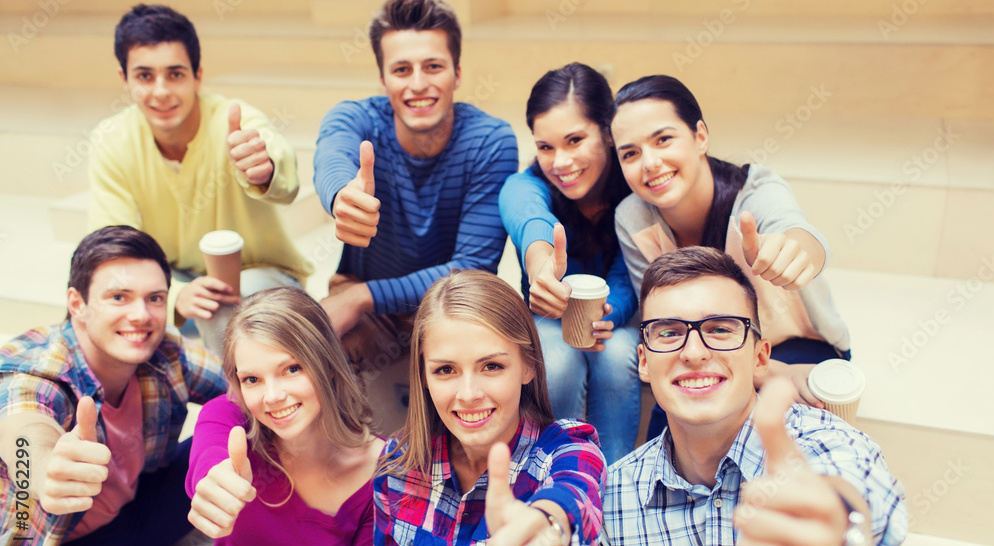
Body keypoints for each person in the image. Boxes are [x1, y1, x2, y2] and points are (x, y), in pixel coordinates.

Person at [586, 247, 907, 546]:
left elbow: (869, 495)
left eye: (719, 329)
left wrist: (840, 517)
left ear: (760, 357)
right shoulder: (616, 497)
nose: (694, 352)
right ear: (644, 361)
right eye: (668, 332)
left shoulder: (826, 443)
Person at [0, 225, 228, 546]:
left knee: (246, 426)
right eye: (118, 297)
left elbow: (242, 387)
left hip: (130, 514)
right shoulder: (37, 371)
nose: (141, 315)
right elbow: (22, 422)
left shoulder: (162, 351)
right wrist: (46, 468)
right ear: (77, 305)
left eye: (155, 298)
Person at [363, 270, 605, 546]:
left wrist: (547, 529)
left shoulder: (568, 448)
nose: (469, 394)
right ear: (423, 376)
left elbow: (574, 498)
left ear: (527, 366)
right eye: (445, 370)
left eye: (491, 366)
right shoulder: (400, 463)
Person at [609, 75, 851, 437]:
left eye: (663, 139)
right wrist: (769, 373)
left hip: (796, 348)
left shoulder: (755, 191)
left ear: (700, 136)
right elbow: (660, 319)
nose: (649, 162)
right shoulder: (633, 217)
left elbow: (798, 232)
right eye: (630, 153)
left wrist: (796, 254)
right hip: (703, 346)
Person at [172, 287, 382, 546]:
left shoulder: (378, 471)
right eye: (252, 379)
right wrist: (212, 483)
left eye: (291, 369)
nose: (272, 396)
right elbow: (210, 459)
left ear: (328, 364)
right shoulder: (231, 417)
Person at [88, 4, 312, 354]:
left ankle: (236, 407)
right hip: (171, 281)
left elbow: (282, 172)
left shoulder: (234, 119)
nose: (161, 91)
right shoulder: (112, 140)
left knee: (217, 306)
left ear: (198, 75)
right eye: (145, 76)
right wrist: (173, 295)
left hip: (260, 277)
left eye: (175, 74)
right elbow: (110, 245)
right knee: (97, 307)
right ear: (125, 79)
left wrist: (264, 168)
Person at [313, 0, 518, 378]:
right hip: (371, 300)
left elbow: (471, 266)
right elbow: (332, 154)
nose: (418, 84)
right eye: (402, 69)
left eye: (433, 67)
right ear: (382, 78)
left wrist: (360, 298)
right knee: (309, 358)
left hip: (455, 301)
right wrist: (342, 195)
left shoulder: (491, 140)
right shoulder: (356, 117)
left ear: (457, 73)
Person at [499, 63, 639, 464]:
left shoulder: (632, 186)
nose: (560, 161)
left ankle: (612, 482)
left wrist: (610, 313)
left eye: (574, 140)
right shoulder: (525, 186)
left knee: (616, 355)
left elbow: (629, 270)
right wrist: (542, 268)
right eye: (545, 147)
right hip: (546, 317)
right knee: (555, 360)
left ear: (608, 133)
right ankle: (552, 475)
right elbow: (530, 220)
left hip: (615, 317)